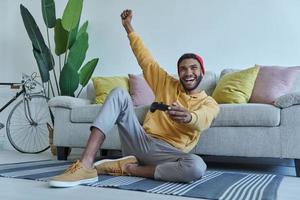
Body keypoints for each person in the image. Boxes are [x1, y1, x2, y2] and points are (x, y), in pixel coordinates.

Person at [49, 9, 220, 188]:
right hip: (140, 141)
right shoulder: (166, 83)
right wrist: (128, 27)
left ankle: (130, 168)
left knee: (196, 167)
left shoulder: (209, 103)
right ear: (178, 73)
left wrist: (189, 117)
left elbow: (204, 119)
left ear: (202, 71)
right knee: (119, 93)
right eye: (183, 69)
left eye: (193, 68)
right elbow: (145, 59)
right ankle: (85, 165)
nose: (188, 73)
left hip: (169, 153)